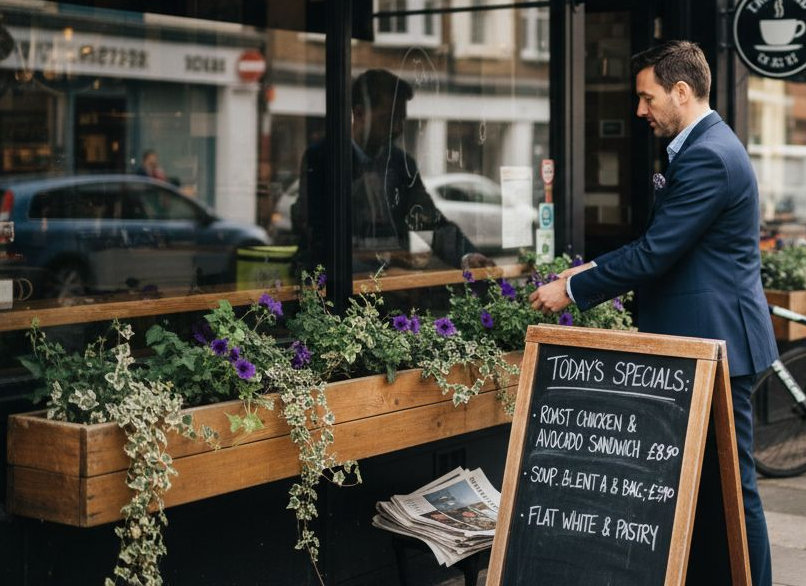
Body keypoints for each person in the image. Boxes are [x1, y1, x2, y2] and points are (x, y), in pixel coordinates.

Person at [529, 40, 777, 586]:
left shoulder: (709, 155)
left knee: (734, 489)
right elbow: (668, 243)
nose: (640, 111)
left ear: (681, 92)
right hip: (703, 342)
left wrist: (572, 290)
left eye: (647, 98)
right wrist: (589, 266)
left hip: (720, 345)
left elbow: (658, 252)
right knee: (708, 488)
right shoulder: (702, 146)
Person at [293, 68, 490, 275]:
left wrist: (467, 256)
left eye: (401, 119)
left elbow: (431, 222)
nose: (397, 129)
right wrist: (382, 273)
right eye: (388, 119)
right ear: (359, 114)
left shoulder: (402, 163)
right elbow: (318, 243)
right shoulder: (323, 159)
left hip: (396, 293)